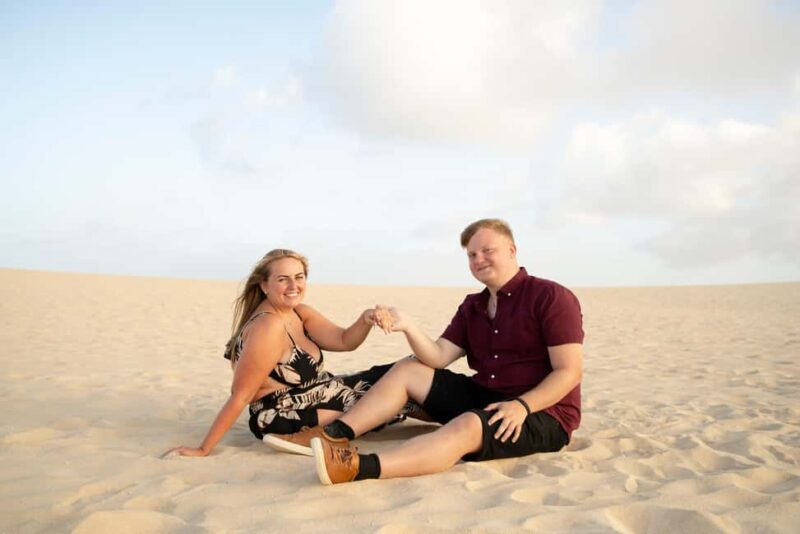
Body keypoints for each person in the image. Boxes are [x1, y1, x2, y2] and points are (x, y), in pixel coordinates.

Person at [262, 219, 584, 485]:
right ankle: (333, 434)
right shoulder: (474, 305)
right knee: (409, 368)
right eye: (471, 255)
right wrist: (409, 326)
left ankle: (357, 466)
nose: (479, 260)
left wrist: (521, 406)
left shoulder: (551, 297)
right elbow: (439, 356)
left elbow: (569, 371)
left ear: (512, 250)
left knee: (471, 425)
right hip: (487, 394)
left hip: (542, 413)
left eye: (488, 251)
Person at [163, 248, 413, 458]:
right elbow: (240, 396)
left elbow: (344, 340)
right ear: (264, 285)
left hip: (318, 394)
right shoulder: (268, 326)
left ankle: (447, 422)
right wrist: (204, 448)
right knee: (385, 394)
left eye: (299, 277)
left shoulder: (299, 313)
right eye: (283, 279)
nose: (294, 286)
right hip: (280, 415)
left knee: (392, 375)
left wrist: (366, 319)